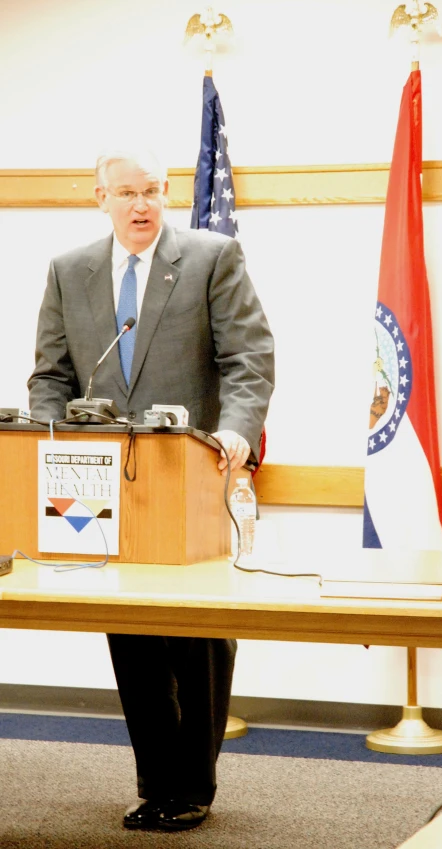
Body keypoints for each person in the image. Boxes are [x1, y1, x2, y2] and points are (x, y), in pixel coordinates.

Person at [28, 148, 275, 832]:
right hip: (102, 482)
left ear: (166, 195)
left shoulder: (210, 256)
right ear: (99, 196)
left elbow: (249, 359)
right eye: (127, 192)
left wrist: (236, 431)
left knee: (196, 635)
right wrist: (54, 442)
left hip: (195, 476)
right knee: (131, 630)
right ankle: (154, 780)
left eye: (153, 191)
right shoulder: (69, 270)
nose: (141, 204)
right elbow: (50, 374)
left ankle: (191, 785)